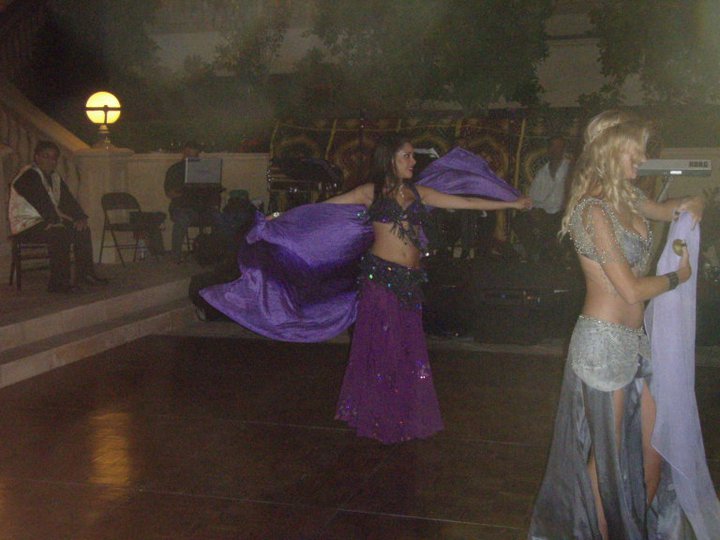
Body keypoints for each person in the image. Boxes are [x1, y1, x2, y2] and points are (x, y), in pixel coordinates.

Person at [528, 110, 710, 539]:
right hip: (602, 345)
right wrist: (677, 278)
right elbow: (629, 290)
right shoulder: (592, 211)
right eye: (635, 152)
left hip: (636, 342)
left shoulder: (627, 198)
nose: (642, 160)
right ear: (610, 151)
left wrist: (695, 202)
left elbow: (670, 209)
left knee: (653, 451)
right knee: (605, 463)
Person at [324, 135, 532, 443]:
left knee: (407, 347)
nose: (413, 161)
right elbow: (322, 211)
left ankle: (402, 411)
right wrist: (280, 221)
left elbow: (467, 202)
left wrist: (510, 203)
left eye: (412, 156)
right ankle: (379, 414)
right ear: (390, 159)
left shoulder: (418, 192)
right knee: (385, 346)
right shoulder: (370, 192)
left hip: (410, 281)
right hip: (380, 279)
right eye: (407, 156)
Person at [8, 140, 108, 293]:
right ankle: (58, 284)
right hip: (26, 226)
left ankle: (85, 275)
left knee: (82, 230)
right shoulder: (28, 176)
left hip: (46, 222)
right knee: (60, 233)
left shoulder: (54, 177)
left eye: (54, 157)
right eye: (46, 156)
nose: (51, 161)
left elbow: (68, 201)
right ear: (36, 157)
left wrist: (80, 217)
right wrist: (56, 221)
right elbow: (41, 202)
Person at [514, 135, 572, 262]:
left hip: (562, 212)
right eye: (553, 146)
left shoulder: (571, 170)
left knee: (555, 223)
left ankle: (546, 253)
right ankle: (534, 251)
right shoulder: (542, 172)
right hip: (543, 211)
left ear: (564, 149)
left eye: (559, 147)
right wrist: (533, 210)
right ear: (548, 149)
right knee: (519, 220)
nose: (555, 150)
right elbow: (532, 197)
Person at [164, 140, 220, 263]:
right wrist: (185, 191)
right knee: (182, 220)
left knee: (219, 218)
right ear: (184, 152)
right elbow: (169, 193)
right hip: (182, 207)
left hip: (202, 207)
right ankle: (176, 255)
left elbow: (212, 190)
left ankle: (216, 253)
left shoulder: (203, 169)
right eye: (188, 154)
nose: (191, 158)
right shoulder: (175, 169)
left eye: (194, 155)